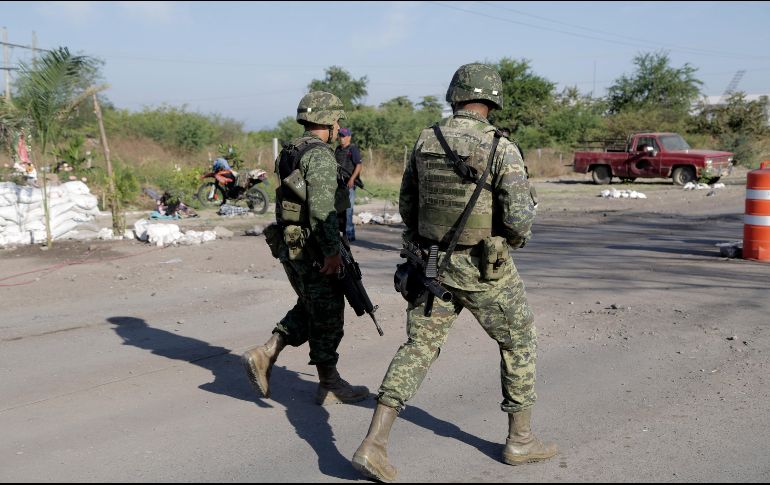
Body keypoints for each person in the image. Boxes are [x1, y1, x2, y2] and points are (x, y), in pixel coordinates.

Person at [351, 63, 556, 481]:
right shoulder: (501, 147)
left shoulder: (427, 139)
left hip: (431, 266)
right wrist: (507, 241)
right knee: (519, 338)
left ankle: (373, 444)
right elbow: (519, 222)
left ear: (455, 96)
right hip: (483, 269)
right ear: (491, 99)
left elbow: (407, 204)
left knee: (418, 348)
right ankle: (521, 440)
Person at [241, 91, 369, 406]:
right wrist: (331, 252)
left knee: (311, 304)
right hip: (313, 245)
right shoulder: (320, 156)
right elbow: (322, 209)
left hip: (291, 242)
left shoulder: (289, 151)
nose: (339, 126)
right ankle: (329, 384)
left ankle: (268, 352)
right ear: (327, 120)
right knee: (328, 312)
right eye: (337, 120)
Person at [334, 127, 362, 242]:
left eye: (343, 136)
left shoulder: (353, 149)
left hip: (349, 184)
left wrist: (352, 179)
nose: (341, 138)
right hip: (338, 184)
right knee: (338, 209)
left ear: (349, 137)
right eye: (340, 136)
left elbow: (359, 166)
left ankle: (350, 235)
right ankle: (341, 234)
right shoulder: (337, 149)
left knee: (348, 210)